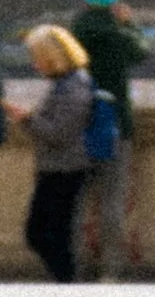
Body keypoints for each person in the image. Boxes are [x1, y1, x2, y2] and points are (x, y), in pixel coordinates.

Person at [71, 0, 149, 279]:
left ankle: (73, 266)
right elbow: (143, 50)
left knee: (76, 202)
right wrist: (129, 23)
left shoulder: (75, 33)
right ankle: (111, 270)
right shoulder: (118, 36)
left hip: (79, 123)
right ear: (114, 5)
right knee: (112, 202)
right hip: (116, 124)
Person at [12, 22, 96, 281]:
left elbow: (59, 134)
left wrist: (27, 119)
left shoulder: (73, 87)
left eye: (38, 59)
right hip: (57, 167)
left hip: (66, 169)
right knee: (52, 233)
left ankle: (67, 282)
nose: (35, 65)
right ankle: (65, 281)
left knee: (46, 233)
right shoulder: (70, 83)